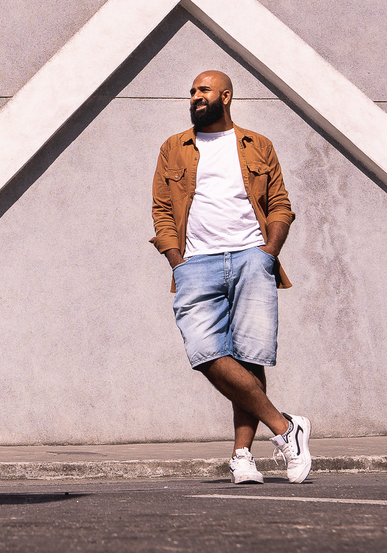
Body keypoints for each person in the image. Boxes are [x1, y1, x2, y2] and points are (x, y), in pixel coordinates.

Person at [150, 71, 311, 484]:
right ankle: (286, 428)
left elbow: (280, 203)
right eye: (192, 91)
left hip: (250, 256)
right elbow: (162, 209)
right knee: (205, 353)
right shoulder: (174, 147)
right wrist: (177, 261)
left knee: (250, 356)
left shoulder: (258, 145)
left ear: (225, 96)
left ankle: (242, 456)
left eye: (203, 90)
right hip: (196, 263)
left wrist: (268, 253)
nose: (195, 96)